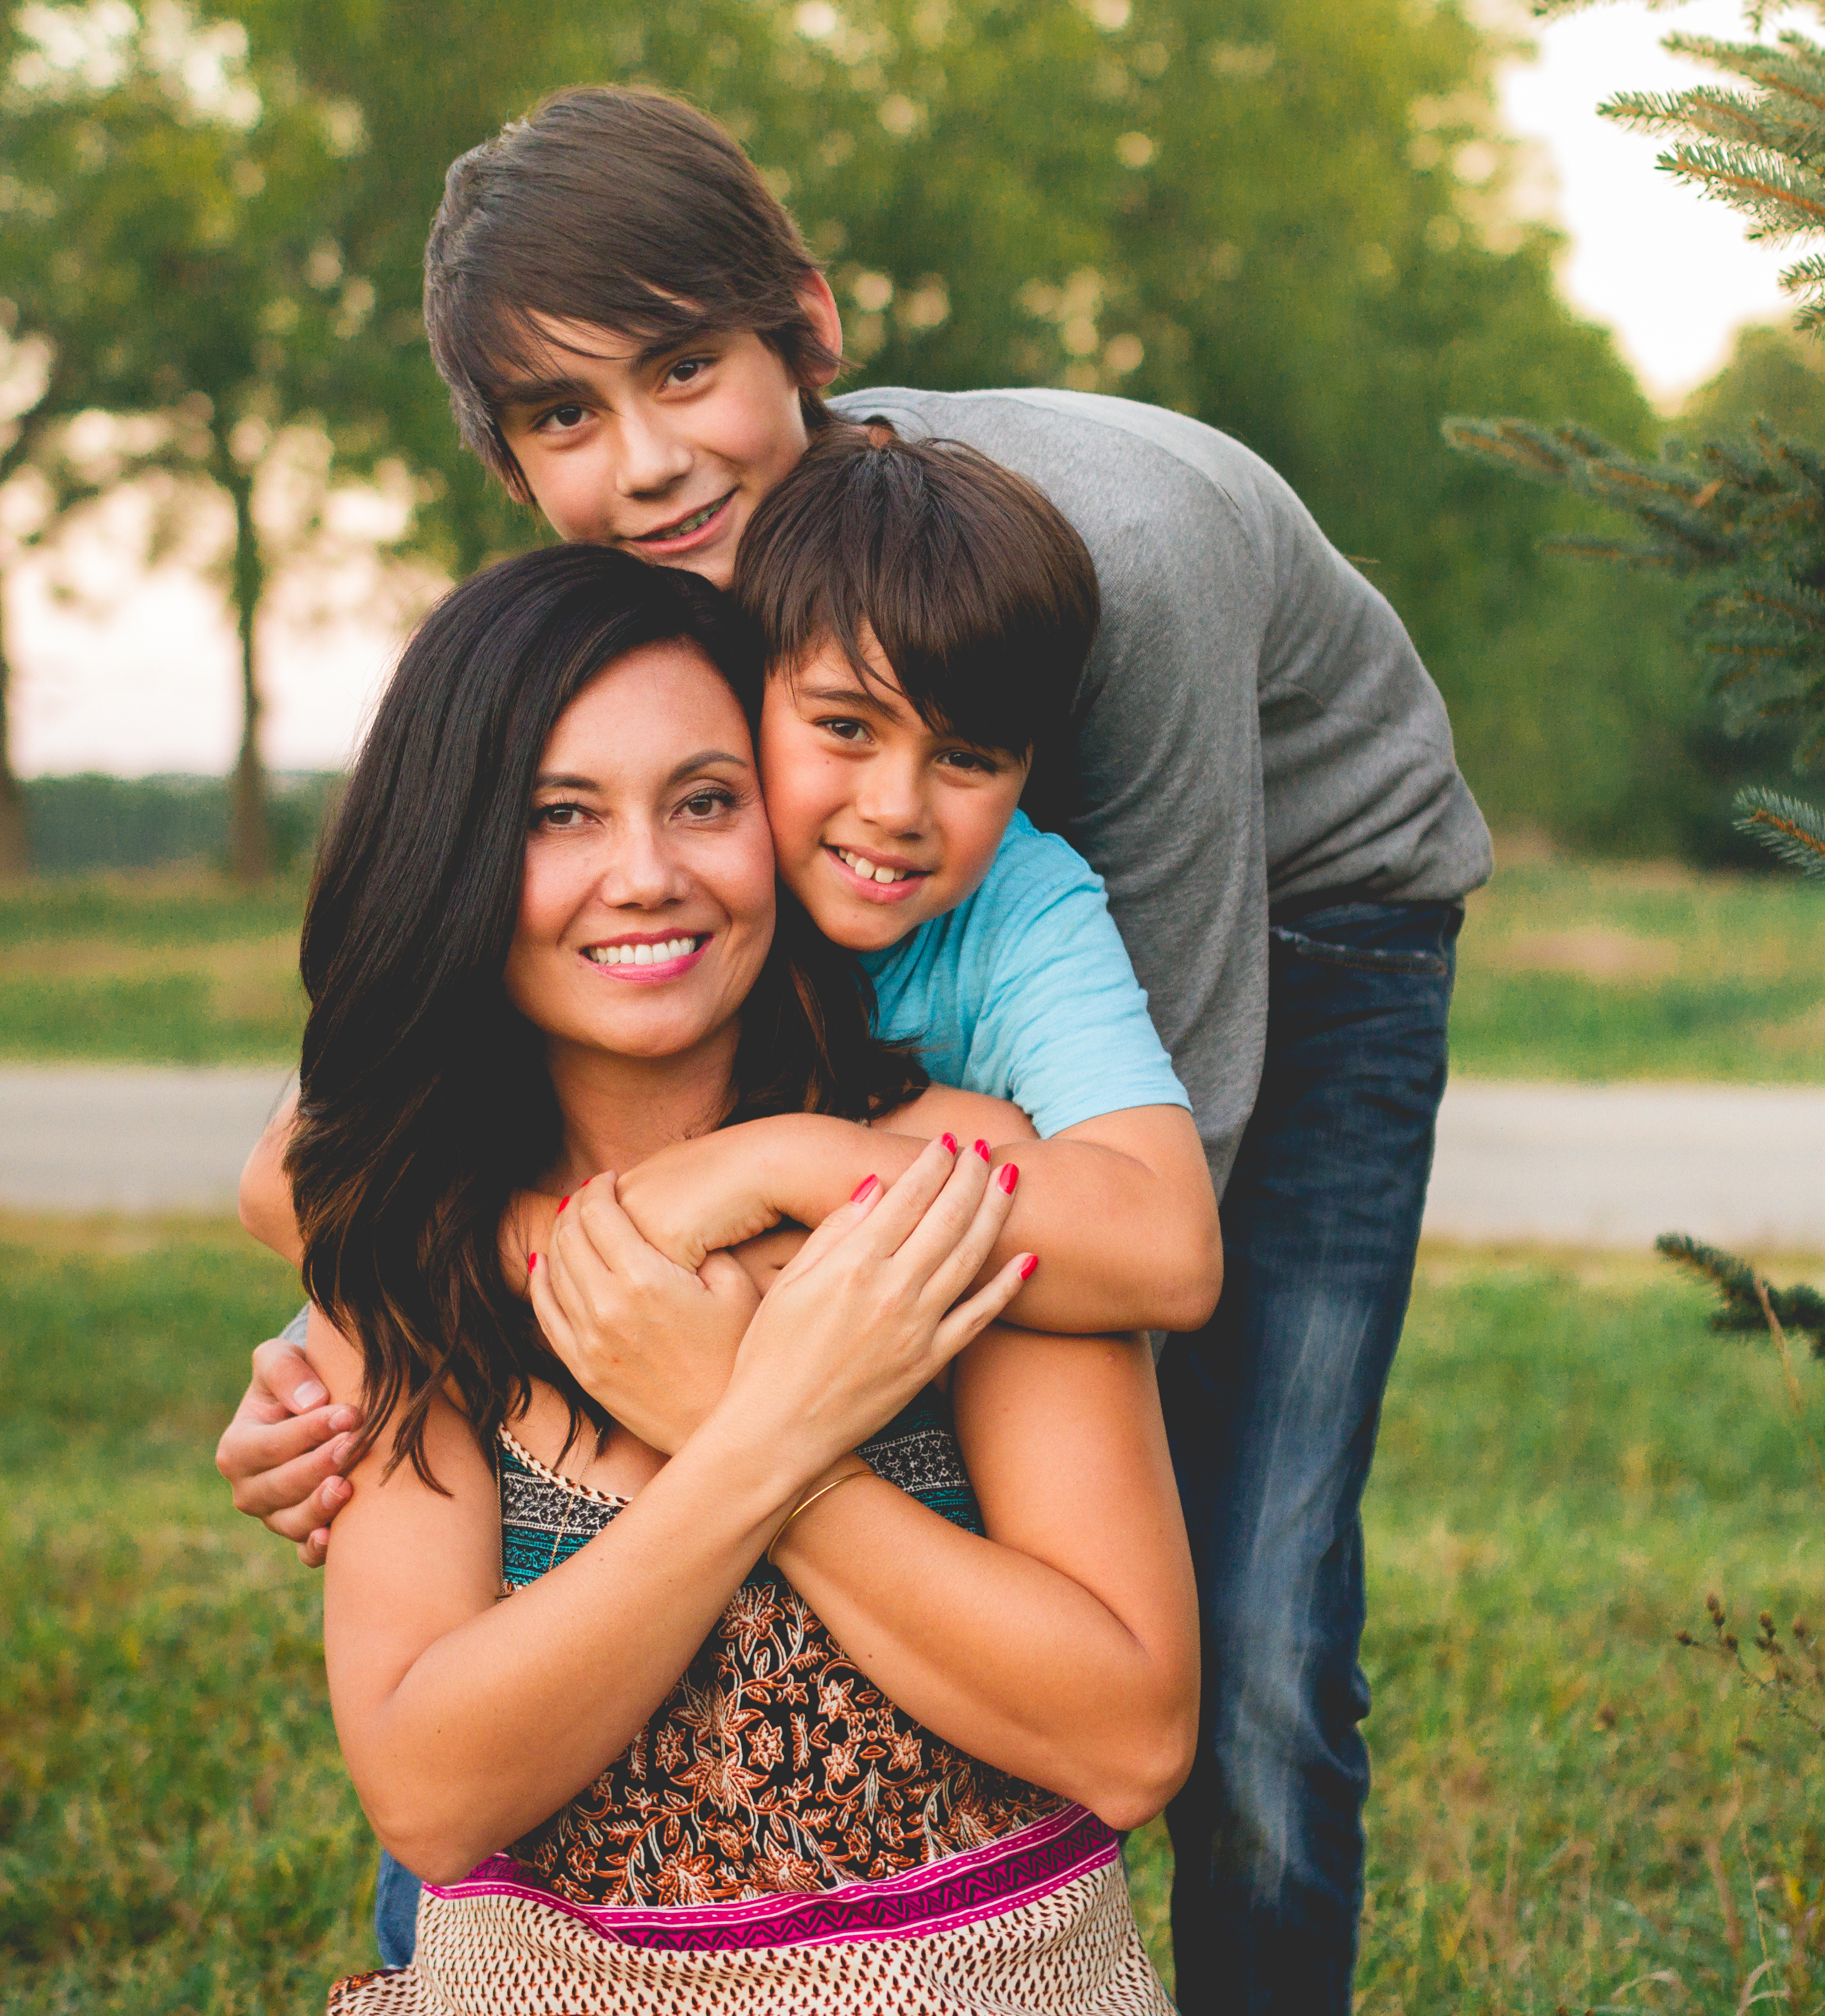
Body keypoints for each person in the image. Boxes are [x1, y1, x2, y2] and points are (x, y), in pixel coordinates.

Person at [220, 85, 1489, 2014]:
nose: (645, 463)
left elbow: (1142, 1243)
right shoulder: (649, 652)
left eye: (679, 369)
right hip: (863, 929)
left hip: (1304, 899)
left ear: (803, 326)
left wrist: (751, 1215)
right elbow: (340, 1149)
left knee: (1245, 1614)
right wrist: (373, 1341)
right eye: (565, 416)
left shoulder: (1087, 589)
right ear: (506, 462)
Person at [290, 541, 1194, 2012]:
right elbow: (429, 1792)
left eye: (703, 802)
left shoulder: (942, 1178)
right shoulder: (420, 1240)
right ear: (453, 853)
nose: (643, 874)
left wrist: (735, 1409)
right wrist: (758, 1430)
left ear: (775, 821)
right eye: (556, 816)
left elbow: (1129, 1735)